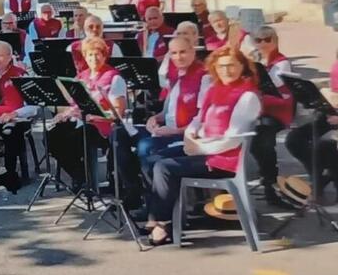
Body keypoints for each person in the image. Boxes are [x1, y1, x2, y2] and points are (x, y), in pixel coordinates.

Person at [146, 46, 261, 246]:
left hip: (222, 160)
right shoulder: (214, 89)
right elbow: (198, 120)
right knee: (151, 158)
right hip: (203, 148)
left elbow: (233, 140)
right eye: (221, 66)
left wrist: (198, 148)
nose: (226, 70)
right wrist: (190, 136)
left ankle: (162, 224)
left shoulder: (247, 97)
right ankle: (170, 217)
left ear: (243, 67)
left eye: (232, 66)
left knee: (163, 167)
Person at [113, 37, 211, 210]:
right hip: (165, 130)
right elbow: (166, 112)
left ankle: (155, 206)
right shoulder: (176, 77)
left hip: (184, 135)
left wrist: (174, 131)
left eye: (183, 52)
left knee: (145, 147)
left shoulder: (203, 78)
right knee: (119, 134)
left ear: (193, 52)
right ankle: (134, 191)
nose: (179, 57)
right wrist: (154, 119)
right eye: (174, 53)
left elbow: (203, 120)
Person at [48, 37, 127, 190]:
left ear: (104, 55)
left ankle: (88, 180)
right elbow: (74, 104)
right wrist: (65, 114)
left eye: (98, 54)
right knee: (52, 137)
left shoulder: (114, 77)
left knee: (77, 138)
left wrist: (92, 117)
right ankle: (79, 175)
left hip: (101, 126)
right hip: (80, 122)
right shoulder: (81, 76)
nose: (93, 58)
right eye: (90, 55)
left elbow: (117, 113)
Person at [0, 41, 36, 194]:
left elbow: (33, 106)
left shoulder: (20, 74)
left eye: (1, 56)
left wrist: (15, 114)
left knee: (10, 133)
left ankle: (11, 173)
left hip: (15, 118)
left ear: (10, 57)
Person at [249, 26, 294, 205]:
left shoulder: (282, 62)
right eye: (258, 40)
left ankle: (271, 184)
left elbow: (274, 84)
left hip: (278, 109)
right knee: (252, 143)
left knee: (264, 141)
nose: (263, 43)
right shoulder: (256, 60)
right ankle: (266, 176)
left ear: (275, 41)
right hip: (260, 108)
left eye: (268, 39)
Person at [158, 21, 201, 88]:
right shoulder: (170, 53)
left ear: (195, 35)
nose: (181, 36)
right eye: (178, 33)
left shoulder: (206, 52)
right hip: (172, 91)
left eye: (185, 33)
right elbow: (161, 77)